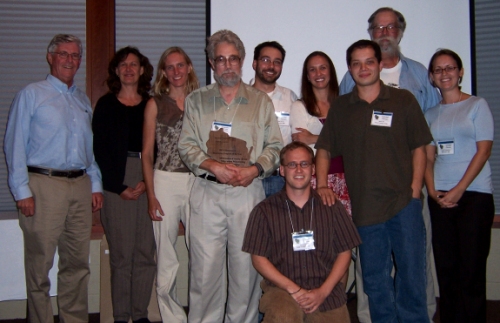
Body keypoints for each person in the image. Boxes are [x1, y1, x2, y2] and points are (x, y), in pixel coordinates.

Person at [315, 40, 432, 323]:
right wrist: (321, 185)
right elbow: (324, 150)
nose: (363, 68)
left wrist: (415, 190)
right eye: (356, 63)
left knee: (412, 274)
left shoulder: (403, 100)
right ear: (349, 68)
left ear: (380, 64)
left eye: (369, 62)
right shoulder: (342, 107)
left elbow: (420, 147)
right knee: (374, 279)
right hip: (365, 208)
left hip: (404, 202)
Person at [339, 7, 440, 321]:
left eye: (390, 27)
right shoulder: (349, 79)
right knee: (373, 265)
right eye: (378, 28)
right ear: (371, 33)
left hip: (409, 189)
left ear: (400, 31)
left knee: (414, 263)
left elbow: (429, 134)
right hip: (369, 193)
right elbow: (344, 130)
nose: (384, 33)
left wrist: (416, 188)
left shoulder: (420, 74)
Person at [178, 29, 283, 323]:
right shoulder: (196, 100)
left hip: (247, 194)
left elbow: (275, 146)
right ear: (212, 63)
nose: (228, 65)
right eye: (221, 59)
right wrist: (212, 165)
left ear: (242, 61)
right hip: (206, 192)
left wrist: (255, 169)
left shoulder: (261, 102)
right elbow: (186, 145)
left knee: (245, 271)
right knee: (203, 273)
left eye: (233, 59)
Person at [4, 34, 104, 323]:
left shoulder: (82, 100)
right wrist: (21, 191)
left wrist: (95, 184)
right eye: (63, 54)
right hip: (43, 185)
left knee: (76, 264)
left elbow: (89, 148)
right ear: (50, 57)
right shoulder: (32, 94)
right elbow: (14, 144)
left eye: (75, 55)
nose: (70, 60)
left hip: (80, 184)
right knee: (40, 266)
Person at [242, 141, 361, 323]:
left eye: (304, 164)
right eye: (292, 164)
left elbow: (345, 252)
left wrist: (323, 292)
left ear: (313, 169)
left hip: (325, 291)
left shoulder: (332, 207)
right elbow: (258, 258)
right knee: (283, 317)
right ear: (282, 170)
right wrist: (294, 290)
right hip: (282, 291)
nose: (298, 169)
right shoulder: (264, 211)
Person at [424, 49, 494, 323]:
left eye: (449, 68)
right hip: (439, 197)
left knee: (471, 271)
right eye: (438, 70)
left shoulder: (477, 105)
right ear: (431, 77)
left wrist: (459, 189)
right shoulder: (430, 113)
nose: (444, 74)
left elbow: (483, 152)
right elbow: (429, 157)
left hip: (474, 196)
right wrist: (432, 191)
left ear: (460, 72)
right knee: (447, 270)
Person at [92, 46, 155, 323]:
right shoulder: (105, 105)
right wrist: (118, 186)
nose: (129, 68)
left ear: (142, 70)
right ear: (117, 71)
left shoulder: (152, 104)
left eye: (134, 64)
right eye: (123, 64)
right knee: (120, 255)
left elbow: (161, 145)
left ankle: (140, 315)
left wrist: (146, 179)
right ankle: (120, 316)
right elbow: (98, 150)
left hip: (148, 177)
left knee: (145, 253)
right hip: (115, 181)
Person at [142, 47, 199, 323]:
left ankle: (202, 313)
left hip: (198, 182)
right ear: (164, 72)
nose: (176, 71)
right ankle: (173, 317)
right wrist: (152, 196)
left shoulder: (202, 101)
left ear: (189, 67)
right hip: (164, 180)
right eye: (170, 67)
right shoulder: (155, 103)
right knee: (166, 255)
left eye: (181, 65)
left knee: (201, 250)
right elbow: (147, 154)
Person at [290, 51, 352, 216]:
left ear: (330, 72)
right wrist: (336, 140)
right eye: (312, 70)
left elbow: (351, 142)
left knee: (345, 234)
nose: (318, 74)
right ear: (307, 76)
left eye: (323, 68)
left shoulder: (345, 105)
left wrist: (314, 138)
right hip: (316, 180)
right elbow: (302, 147)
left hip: (347, 179)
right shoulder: (299, 107)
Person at [251, 41, 298, 197]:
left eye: (277, 62)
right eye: (265, 60)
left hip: (281, 179)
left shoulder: (290, 98)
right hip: (249, 180)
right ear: (254, 63)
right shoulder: (241, 98)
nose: (271, 66)